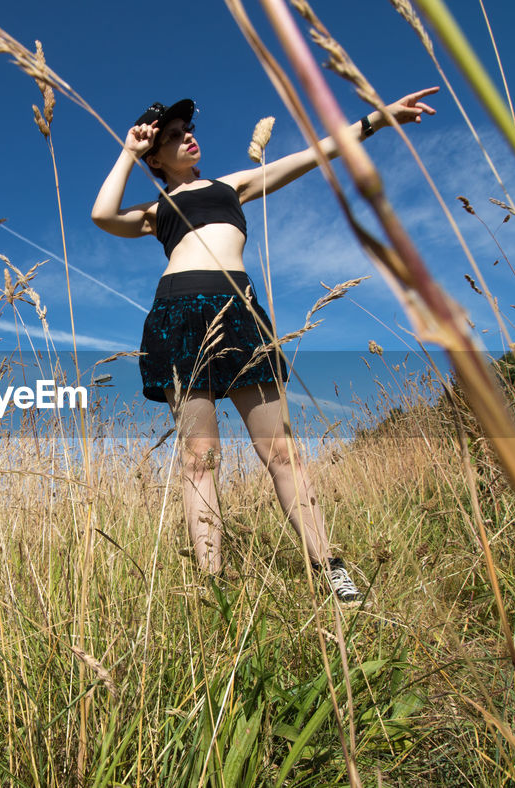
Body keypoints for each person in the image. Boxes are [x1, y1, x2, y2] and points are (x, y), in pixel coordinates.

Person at [90, 88, 438, 603]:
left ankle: (331, 569)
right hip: (177, 317)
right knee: (198, 457)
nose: (188, 138)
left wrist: (375, 121)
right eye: (172, 137)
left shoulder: (231, 184)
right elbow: (102, 214)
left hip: (240, 313)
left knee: (281, 450)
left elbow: (312, 154)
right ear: (154, 158)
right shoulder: (155, 207)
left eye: (188, 131)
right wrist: (127, 151)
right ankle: (213, 589)